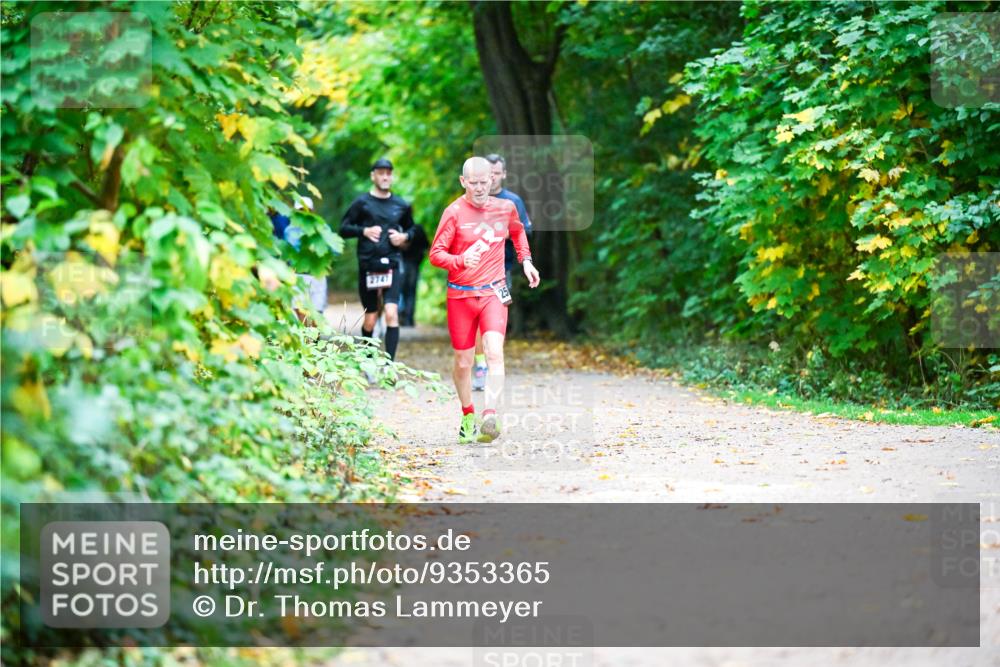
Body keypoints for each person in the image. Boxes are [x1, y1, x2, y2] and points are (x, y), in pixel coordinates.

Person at [429, 156, 540, 443]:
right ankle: (468, 415)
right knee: (464, 362)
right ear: (463, 182)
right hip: (461, 296)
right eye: (473, 183)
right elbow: (436, 254)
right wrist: (461, 259)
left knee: (494, 353)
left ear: (492, 179)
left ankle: (489, 415)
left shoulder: (505, 207)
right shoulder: (453, 212)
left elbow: (518, 233)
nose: (479, 188)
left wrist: (526, 262)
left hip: (493, 292)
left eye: (484, 182)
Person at [339, 158, 415, 362]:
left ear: (392, 176)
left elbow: (412, 229)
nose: (385, 176)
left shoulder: (401, 204)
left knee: (391, 313)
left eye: (388, 173)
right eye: (380, 173)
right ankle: (369, 361)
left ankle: (390, 365)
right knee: (371, 319)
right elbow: (343, 229)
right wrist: (363, 230)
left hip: (392, 264)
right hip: (368, 266)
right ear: (373, 176)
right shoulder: (362, 203)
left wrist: (404, 237)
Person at [471, 153, 534, 391]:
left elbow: (526, 231)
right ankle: (480, 365)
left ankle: (493, 362)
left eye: (497, 173)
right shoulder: (473, 200)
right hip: (474, 270)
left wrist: (505, 233)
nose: (494, 178)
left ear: (504, 174)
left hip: (502, 270)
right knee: (477, 320)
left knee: (496, 320)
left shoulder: (512, 201)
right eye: (490, 174)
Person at [399, 223, 429, 327]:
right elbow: (426, 246)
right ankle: (408, 320)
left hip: (401, 264)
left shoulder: (398, 227)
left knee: (399, 291)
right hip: (413, 265)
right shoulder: (418, 229)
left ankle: (401, 316)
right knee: (410, 293)